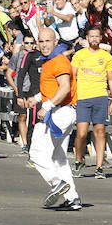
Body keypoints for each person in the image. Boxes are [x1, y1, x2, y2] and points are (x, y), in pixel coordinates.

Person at [21, 27, 81, 210]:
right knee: (58, 157)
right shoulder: (48, 61)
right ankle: (72, 199)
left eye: (48, 41)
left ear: (56, 42)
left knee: (37, 153)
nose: (44, 44)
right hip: (62, 111)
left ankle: (57, 183)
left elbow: (63, 88)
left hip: (60, 112)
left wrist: (46, 106)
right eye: (41, 41)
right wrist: (37, 99)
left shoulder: (59, 61)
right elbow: (52, 89)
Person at [71, 25, 112, 179]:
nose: (94, 39)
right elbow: (72, 77)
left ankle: (99, 167)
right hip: (83, 98)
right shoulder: (79, 55)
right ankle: (78, 160)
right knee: (82, 132)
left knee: (100, 131)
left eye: (97, 36)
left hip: (101, 97)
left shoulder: (106, 56)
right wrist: (72, 96)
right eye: (92, 36)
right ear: (87, 38)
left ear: (101, 38)